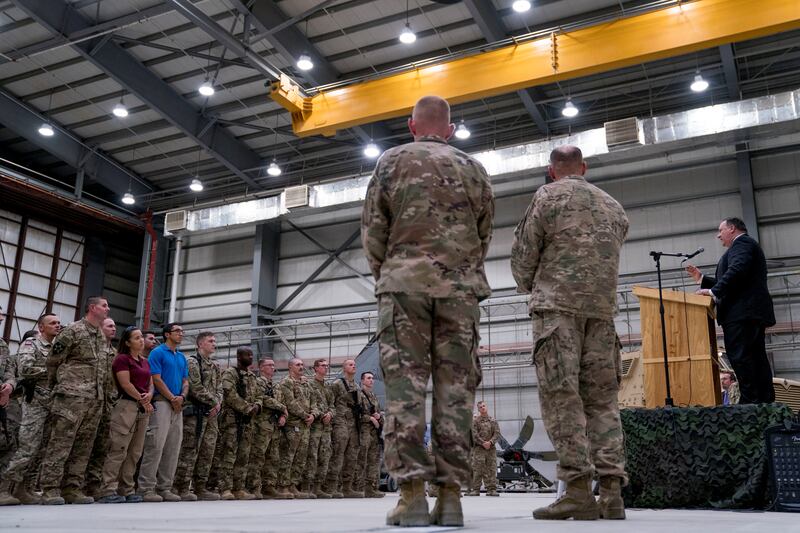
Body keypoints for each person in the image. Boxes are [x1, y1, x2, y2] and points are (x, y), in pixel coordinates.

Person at [362, 95, 494, 527]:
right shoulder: (473, 169)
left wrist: (391, 273)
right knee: (456, 392)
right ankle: (452, 498)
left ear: (411, 125)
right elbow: (484, 233)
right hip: (460, 291)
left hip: (404, 287)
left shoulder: (390, 162)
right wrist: (459, 270)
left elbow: (373, 230)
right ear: (450, 130)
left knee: (405, 391)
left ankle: (412, 496)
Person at [511, 145, 629, 521]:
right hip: (602, 314)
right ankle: (612, 494)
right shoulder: (613, 206)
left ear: (551, 170)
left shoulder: (548, 196)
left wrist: (530, 284)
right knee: (603, 404)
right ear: (584, 167)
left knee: (563, 400)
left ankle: (577, 490)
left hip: (558, 312)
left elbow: (524, 255)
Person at [686, 218, 776, 404]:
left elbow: (737, 270)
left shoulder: (741, 243)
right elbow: (739, 280)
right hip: (748, 312)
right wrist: (702, 279)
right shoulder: (745, 246)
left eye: (721, 230)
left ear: (732, 229)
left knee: (742, 357)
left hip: (742, 313)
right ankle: (762, 400)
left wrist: (713, 291)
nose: (718, 235)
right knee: (754, 357)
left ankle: (751, 401)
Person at [40, 296, 110, 505]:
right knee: (60, 442)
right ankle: (50, 489)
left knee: (84, 445)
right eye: (104, 305)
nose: (108, 309)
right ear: (92, 308)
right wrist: (59, 386)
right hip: (71, 397)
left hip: (94, 398)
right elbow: (53, 360)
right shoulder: (73, 330)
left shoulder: (99, 334)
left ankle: (72, 488)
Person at [0, 313, 60, 505]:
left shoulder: (58, 348)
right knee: (27, 447)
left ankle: (24, 488)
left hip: (52, 402)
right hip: (34, 403)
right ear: (41, 327)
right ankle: (4, 488)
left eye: (58, 322)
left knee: (41, 449)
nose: (57, 325)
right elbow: (25, 369)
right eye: (52, 323)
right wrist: (54, 371)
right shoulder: (31, 345)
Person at [96, 327, 153, 503]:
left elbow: (150, 383)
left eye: (141, 337)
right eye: (136, 338)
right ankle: (107, 489)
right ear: (127, 342)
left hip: (143, 408)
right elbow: (126, 384)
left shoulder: (144, 361)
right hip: (127, 406)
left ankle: (126, 488)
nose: (141, 340)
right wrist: (143, 399)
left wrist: (149, 395)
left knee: (135, 451)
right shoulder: (121, 360)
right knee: (118, 449)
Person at [136, 322, 189, 502]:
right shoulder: (157, 353)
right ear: (167, 334)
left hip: (177, 406)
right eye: (177, 331)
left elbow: (185, 381)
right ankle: (145, 488)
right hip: (162, 404)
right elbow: (156, 379)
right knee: (155, 446)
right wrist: (172, 398)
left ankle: (165, 487)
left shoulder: (182, 357)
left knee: (173, 448)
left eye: (182, 331)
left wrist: (181, 396)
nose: (181, 334)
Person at [173, 331, 222, 501]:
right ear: (200, 344)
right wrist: (214, 402)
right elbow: (195, 387)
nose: (214, 343)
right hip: (195, 414)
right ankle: (180, 486)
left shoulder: (214, 365)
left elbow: (219, 388)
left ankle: (200, 487)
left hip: (212, 414)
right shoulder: (192, 362)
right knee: (190, 450)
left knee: (208, 451)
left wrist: (218, 403)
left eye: (214, 341)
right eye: (210, 341)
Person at [214, 347, 260, 500]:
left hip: (247, 421)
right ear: (239, 357)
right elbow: (229, 394)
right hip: (232, 420)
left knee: (243, 455)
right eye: (248, 354)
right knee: (229, 454)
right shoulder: (230, 373)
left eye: (252, 354)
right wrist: (247, 408)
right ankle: (225, 488)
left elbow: (258, 395)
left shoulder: (252, 376)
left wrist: (257, 405)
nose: (251, 357)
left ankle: (238, 487)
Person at [85, 317, 118, 497]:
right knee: (84, 444)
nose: (114, 329)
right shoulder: (91, 348)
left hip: (107, 405)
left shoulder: (114, 353)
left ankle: (93, 485)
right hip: (89, 402)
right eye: (110, 326)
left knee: (102, 445)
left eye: (114, 326)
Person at [277, 358, 317, 499]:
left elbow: (314, 401)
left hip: (305, 425)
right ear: (290, 367)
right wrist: (305, 415)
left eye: (302, 364)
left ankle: (294, 485)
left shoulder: (305, 383)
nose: (301, 367)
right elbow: (290, 402)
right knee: (289, 456)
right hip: (293, 424)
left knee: (301, 457)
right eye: (297, 365)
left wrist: (313, 414)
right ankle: (283, 486)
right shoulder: (286, 382)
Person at [246, 358, 286, 499]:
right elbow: (261, 398)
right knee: (258, 456)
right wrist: (281, 407)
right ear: (261, 367)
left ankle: (269, 486)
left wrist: (283, 416)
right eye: (269, 365)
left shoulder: (275, 386)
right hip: (261, 424)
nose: (272, 368)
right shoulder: (258, 382)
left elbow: (282, 402)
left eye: (274, 365)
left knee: (273, 457)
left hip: (274, 425)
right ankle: (254, 486)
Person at [324, 358, 361, 499]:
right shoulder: (337, 384)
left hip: (353, 423)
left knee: (351, 456)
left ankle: (347, 487)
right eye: (350, 364)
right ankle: (331, 486)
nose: (353, 366)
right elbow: (329, 401)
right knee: (338, 454)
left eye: (354, 364)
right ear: (344, 368)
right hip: (340, 421)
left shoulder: (356, 386)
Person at [304, 359, 334, 499]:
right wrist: (321, 414)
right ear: (315, 368)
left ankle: (318, 487)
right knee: (312, 456)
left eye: (327, 366)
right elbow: (308, 403)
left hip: (326, 428)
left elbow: (333, 405)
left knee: (325, 457)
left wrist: (330, 414)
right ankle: (307, 487)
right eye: (323, 366)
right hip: (315, 426)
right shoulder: (309, 385)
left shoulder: (328, 387)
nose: (326, 368)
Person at [356, 371, 384, 498]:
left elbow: (379, 412)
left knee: (374, 460)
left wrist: (379, 417)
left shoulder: (374, 396)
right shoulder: (359, 395)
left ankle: (370, 487)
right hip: (364, 431)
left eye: (372, 378)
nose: (371, 380)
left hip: (374, 433)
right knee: (362, 459)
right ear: (362, 380)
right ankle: (359, 487)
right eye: (368, 378)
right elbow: (356, 414)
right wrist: (371, 419)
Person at [0, 305, 20, 474]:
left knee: (5, 443)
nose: (0, 320)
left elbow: (9, 371)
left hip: (1, 400)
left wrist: (9, 385)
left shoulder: (2, 345)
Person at [467, 400, 500, 497]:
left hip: (491, 449)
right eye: (481, 407)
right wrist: (483, 443)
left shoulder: (492, 420)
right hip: (479, 449)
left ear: (487, 407)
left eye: (484, 406)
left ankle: (491, 489)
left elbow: (497, 433)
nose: (483, 408)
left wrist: (490, 442)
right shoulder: (475, 421)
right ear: (478, 409)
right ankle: (475, 489)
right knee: (478, 469)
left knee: (491, 468)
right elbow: (474, 434)